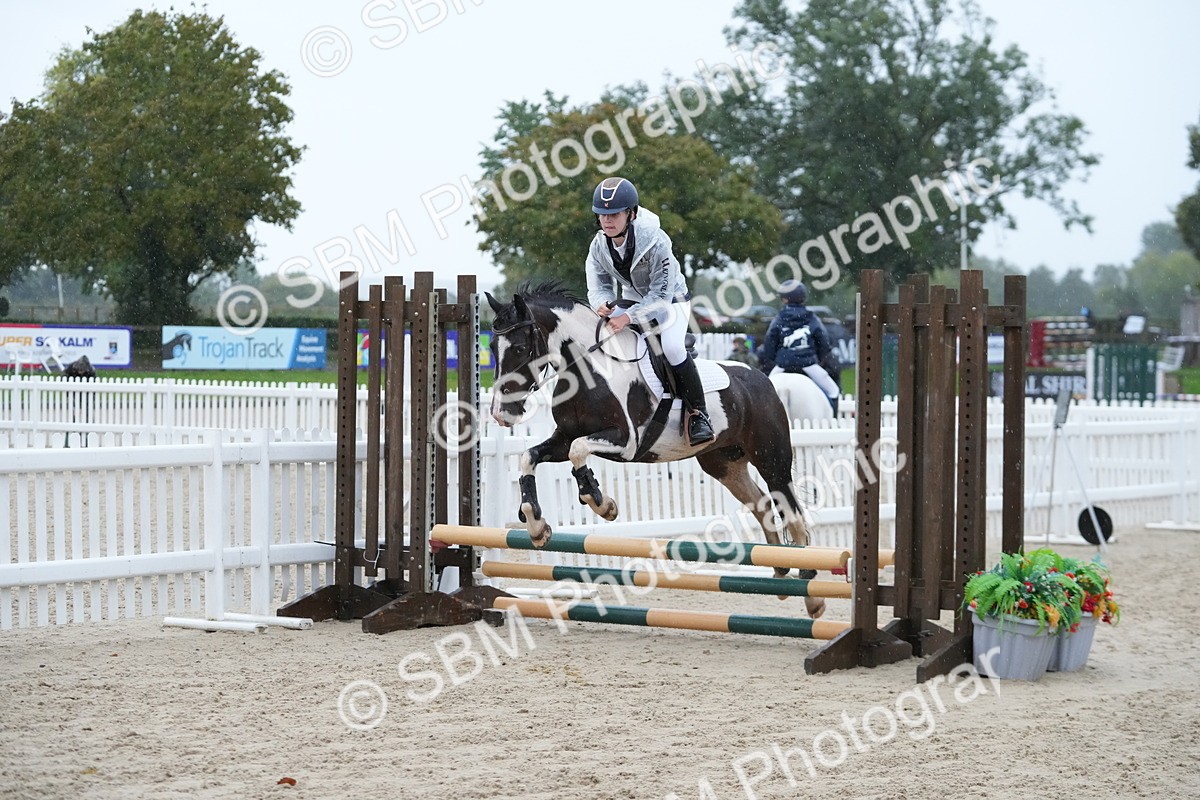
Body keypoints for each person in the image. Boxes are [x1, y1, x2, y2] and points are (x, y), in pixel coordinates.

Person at [585, 176, 714, 445]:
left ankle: (699, 414)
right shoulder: (599, 245)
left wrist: (626, 318)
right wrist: (604, 303)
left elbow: (660, 296)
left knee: (673, 348)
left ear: (631, 213)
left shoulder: (656, 241)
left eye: (614, 214)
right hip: (631, 299)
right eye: (602, 215)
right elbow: (599, 285)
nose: (607, 220)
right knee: (604, 338)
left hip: (671, 301)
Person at [759, 279, 841, 413]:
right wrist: (819, 359)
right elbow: (823, 343)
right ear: (803, 297)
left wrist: (776, 359)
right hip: (808, 364)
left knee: (762, 393)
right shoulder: (812, 318)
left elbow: (769, 345)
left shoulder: (778, 319)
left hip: (782, 365)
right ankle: (833, 421)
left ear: (784, 299)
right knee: (833, 391)